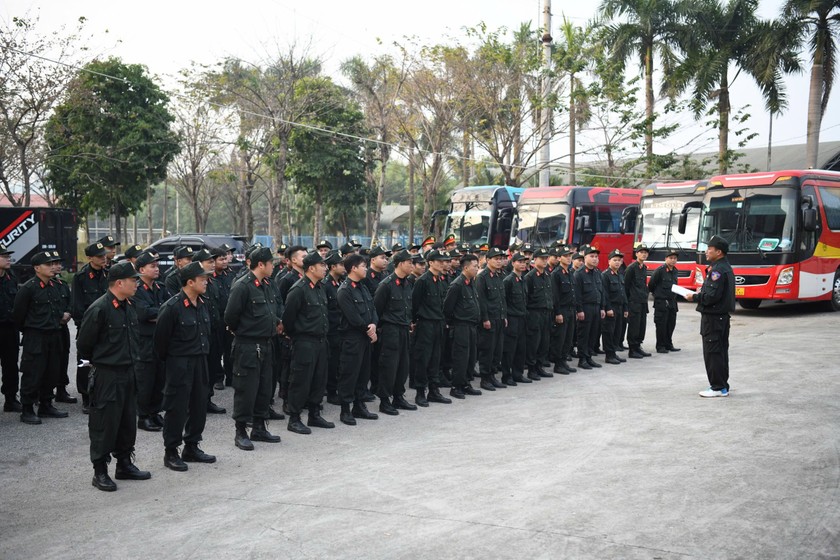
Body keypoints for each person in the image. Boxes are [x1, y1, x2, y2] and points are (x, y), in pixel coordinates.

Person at [77, 262, 151, 492]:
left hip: (129, 372)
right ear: (119, 283)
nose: (137, 284)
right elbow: (84, 345)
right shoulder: (100, 309)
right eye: (133, 280)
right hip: (107, 375)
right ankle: (100, 471)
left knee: (127, 421)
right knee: (104, 423)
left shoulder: (129, 305)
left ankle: (124, 463)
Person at [155, 262, 217, 471]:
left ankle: (192, 446)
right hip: (179, 364)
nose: (206, 282)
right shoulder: (172, 307)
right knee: (177, 408)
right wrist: (173, 363)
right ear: (190, 282)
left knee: (199, 405)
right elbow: (160, 343)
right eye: (202, 279)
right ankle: (171, 451)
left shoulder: (203, 303)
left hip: (200, 361)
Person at [225, 247, 283, 451]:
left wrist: (275, 321)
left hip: (267, 344)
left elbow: (270, 310)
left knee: (264, 388)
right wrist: (245, 331)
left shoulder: (267, 285)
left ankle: (259, 427)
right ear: (261, 264)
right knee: (246, 389)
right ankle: (240, 431)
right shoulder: (243, 286)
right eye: (271, 263)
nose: (273, 266)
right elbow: (230, 317)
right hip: (248, 346)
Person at [13, 250, 70, 424]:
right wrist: (33, 328)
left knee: (52, 371)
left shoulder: (56, 286)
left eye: (54, 264)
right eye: (49, 264)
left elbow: (61, 308)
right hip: (35, 337)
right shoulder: (29, 288)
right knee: (33, 373)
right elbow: (18, 316)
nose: (53, 267)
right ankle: (27, 409)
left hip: (54, 335)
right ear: (37, 268)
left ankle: (46, 404)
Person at [282, 251, 334, 433]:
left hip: (320, 341)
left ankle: (314, 415)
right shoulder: (298, 290)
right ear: (311, 268)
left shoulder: (319, 287)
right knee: (301, 381)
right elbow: (288, 319)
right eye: (322, 265)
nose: (325, 268)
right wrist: (296, 335)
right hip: (304, 342)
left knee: (319, 379)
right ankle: (294, 418)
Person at [685, 236, 735, 398]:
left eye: (709, 249)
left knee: (713, 352)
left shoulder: (717, 270)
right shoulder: (723, 267)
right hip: (720, 318)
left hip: (713, 318)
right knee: (720, 351)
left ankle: (717, 387)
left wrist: (694, 297)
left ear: (718, 252)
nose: (706, 252)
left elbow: (711, 297)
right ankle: (722, 385)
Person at [336, 254, 379, 425]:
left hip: (366, 336)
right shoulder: (344, 290)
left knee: (363, 373)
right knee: (349, 373)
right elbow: (352, 317)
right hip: (352, 338)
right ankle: (345, 409)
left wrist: (374, 325)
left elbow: (372, 308)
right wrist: (369, 329)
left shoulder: (363, 287)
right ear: (353, 268)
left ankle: (359, 406)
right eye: (363, 266)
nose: (366, 269)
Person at [373, 250, 416, 415]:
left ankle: (399, 396)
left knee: (403, 366)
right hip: (390, 330)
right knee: (389, 366)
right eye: (409, 262)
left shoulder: (407, 283)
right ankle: (385, 400)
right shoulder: (386, 285)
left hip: (404, 328)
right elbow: (377, 309)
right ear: (400, 264)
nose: (412, 265)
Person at [410, 249, 452, 406]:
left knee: (436, 358)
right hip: (425, 323)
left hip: (438, 323)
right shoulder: (423, 281)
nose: (443, 264)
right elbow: (414, 303)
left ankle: (434, 391)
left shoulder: (440, 280)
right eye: (439, 261)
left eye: (443, 261)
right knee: (423, 358)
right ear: (431, 263)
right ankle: (421, 392)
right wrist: (414, 321)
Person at [132, 250, 168, 432]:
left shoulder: (160, 287)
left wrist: (158, 313)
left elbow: (169, 310)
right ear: (141, 270)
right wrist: (159, 313)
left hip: (159, 340)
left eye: (157, 265)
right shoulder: (137, 290)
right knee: (145, 380)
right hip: (144, 342)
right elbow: (144, 314)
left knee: (159, 379)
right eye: (152, 266)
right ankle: (143, 416)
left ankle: (155, 412)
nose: (156, 269)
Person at [72, 242, 109, 412]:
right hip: (88, 327)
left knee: (104, 360)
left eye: (105, 256)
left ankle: (100, 393)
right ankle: (86, 396)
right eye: (100, 256)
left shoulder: (109, 275)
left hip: (107, 327)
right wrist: (84, 327)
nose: (104, 259)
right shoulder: (80, 278)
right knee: (84, 362)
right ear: (89, 258)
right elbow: (77, 307)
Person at [443, 253, 483, 399]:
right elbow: (447, 308)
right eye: (474, 266)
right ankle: (456, 386)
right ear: (465, 268)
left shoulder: (471, 282)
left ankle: (466, 383)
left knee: (471, 357)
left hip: (472, 326)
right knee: (461, 357)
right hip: (460, 326)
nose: (477, 269)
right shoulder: (457, 284)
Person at [192, 249, 226, 415]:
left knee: (212, 367)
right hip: (201, 332)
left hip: (215, 331)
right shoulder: (194, 283)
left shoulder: (213, 283)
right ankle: (196, 402)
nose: (213, 265)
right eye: (209, 262)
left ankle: (207, 399)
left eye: (213, 262)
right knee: (200, 371)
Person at [475, 247, 507, 391]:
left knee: (497, 349)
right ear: (488, 260)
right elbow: (481, 300)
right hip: (489, 319)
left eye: (501, 259)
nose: (499, 261)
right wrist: (485, 318)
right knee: (487, 349)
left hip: (499, 318)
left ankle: (493, 375)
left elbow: (502, 299)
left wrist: (504, 315)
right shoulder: (482, 277)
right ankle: (485, 378)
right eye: (496, 259)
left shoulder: (500, 276)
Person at [573, 246, 606, 370]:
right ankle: (582, 359)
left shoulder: (598, 273)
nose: (595, 259)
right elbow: (577, 294)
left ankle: (589, 357)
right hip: (585, 308)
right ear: (585, 257)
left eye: (596, 257)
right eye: (591, 256)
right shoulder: (579, 274)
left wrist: (602, 307)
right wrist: (579, 310)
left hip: (596, 307)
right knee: (584, 334)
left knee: (593, 333)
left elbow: (601, 291)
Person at [524, 248, 553, 380]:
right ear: (534, 260)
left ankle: (540, 366)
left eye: (546, 258)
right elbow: (526, 297)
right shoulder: (529, 277)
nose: (545, 261)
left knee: (544, 342)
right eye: (542, 258)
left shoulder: (547, 275)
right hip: (534, 313)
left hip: (546, 313)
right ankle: (531, 369)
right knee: (534, 342)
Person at [501, 253, 531, 385]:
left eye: (524, 262)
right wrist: (505, 317)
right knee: (510, 349)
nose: (523, 264)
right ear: (513, 263)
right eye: (519, 262)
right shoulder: (508, 280)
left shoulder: (523, 279)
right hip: (512, 318)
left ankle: (518, 374)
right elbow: (504, 301)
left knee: (521, 348)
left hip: (522, 317)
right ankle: (506, 376)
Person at [0, 244, 21, 412]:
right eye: (4, 256)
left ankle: (11, 398)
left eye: (8, 256)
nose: (8, 259)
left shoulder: (11, 277)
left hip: (9, 328)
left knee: (11, 365)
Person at [322, 250, 345, 406]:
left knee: (339, 362)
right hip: (331, 330)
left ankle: (337, 388)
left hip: (341, 328)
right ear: (332, 266)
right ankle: (331, 391)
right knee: (332, 362)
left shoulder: (342, 282)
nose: (344, 267)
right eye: (341, 264)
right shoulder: (325, 285)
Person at [550, 245, 577, 374]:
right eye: (565, 256)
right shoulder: (556, 274)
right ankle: (558, 364)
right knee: (560, 338)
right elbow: (555, 295)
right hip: (562, 310)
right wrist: (558, 312)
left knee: (568, 338)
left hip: (571, 310)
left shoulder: (570, 273)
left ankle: (563, 361)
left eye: (570, 256)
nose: (568, 258)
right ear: (559, 258)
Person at [648, 250, 681, 353]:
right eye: (671, 258)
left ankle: (668, 344)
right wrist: (658, 294)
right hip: (661, 302)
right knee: (661, 324)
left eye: (675, 258)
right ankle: (660, 346)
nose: (673, 260)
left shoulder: (675, 271)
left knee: (671, 323)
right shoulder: (660, 270)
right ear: (666, 259)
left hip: (672, 302)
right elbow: (651, 285)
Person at [624, 244, 652, 359]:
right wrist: (627, 304)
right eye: (641, 252)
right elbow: (626, 286)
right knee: (634, 327)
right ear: (636, 254)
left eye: (645, 252)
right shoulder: (631, 268)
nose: (644, 254)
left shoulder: (644, 268)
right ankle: (632, 349)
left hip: (642, 302)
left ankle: (638, 346)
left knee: (641, 326)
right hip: (633, 302)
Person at [601, 249, 628, 365]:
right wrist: (608, 308)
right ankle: (609, 355)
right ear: (609, 261)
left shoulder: (620, 275)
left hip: (620, 308)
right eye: (614, 260)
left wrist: (626, 308)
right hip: (611, 308)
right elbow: (604, 294)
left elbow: (623, 293)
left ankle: (614, 352)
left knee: (618, 331)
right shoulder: (605, 275)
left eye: (619, 260)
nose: (617, 262)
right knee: (609, 332)